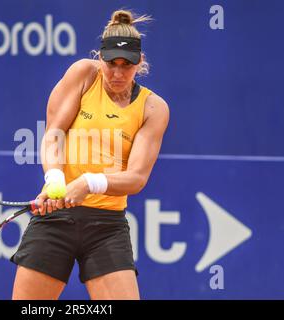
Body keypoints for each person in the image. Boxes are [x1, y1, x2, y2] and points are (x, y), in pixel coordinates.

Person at [10, 9, 170, 300]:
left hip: (107, 227)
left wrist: (88, 183)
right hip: (56, 218)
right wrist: (55, 179)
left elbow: (136, 178)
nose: (118, 73)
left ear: (140, 63)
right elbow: (53, 134)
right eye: (111, 63)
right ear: (100, 57)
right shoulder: (83, 74)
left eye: (127, 65)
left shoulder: (153, 108)